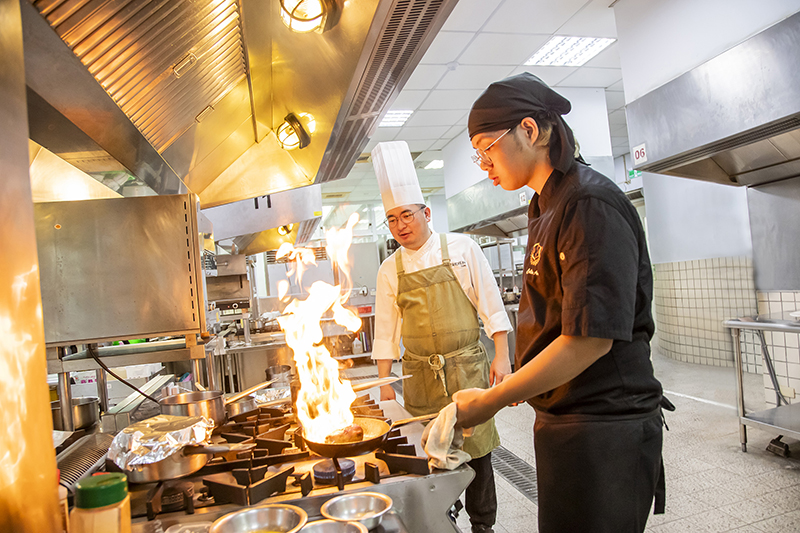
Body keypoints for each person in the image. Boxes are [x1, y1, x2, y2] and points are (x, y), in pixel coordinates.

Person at [453, 73, 666, 533]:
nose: (483, 164)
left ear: (529, 130)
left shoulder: (588, 202)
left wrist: (492, 400)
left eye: (485, 148)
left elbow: (587, 342)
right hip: (565, 420)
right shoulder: (543, 206)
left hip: (605, 426)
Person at [370, 141, 513, 533]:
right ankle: (440, 523)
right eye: (392, 219)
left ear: (426, 213)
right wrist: (385, 386)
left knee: (478, 451)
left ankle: (483, 525)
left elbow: (490, 302)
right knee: (429, 457)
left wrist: (502, 354)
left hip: (467, 367)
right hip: (419, 378)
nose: (400, 225)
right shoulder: (389, 269)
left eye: (407, 215)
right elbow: (385, 330)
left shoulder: (462, 248)